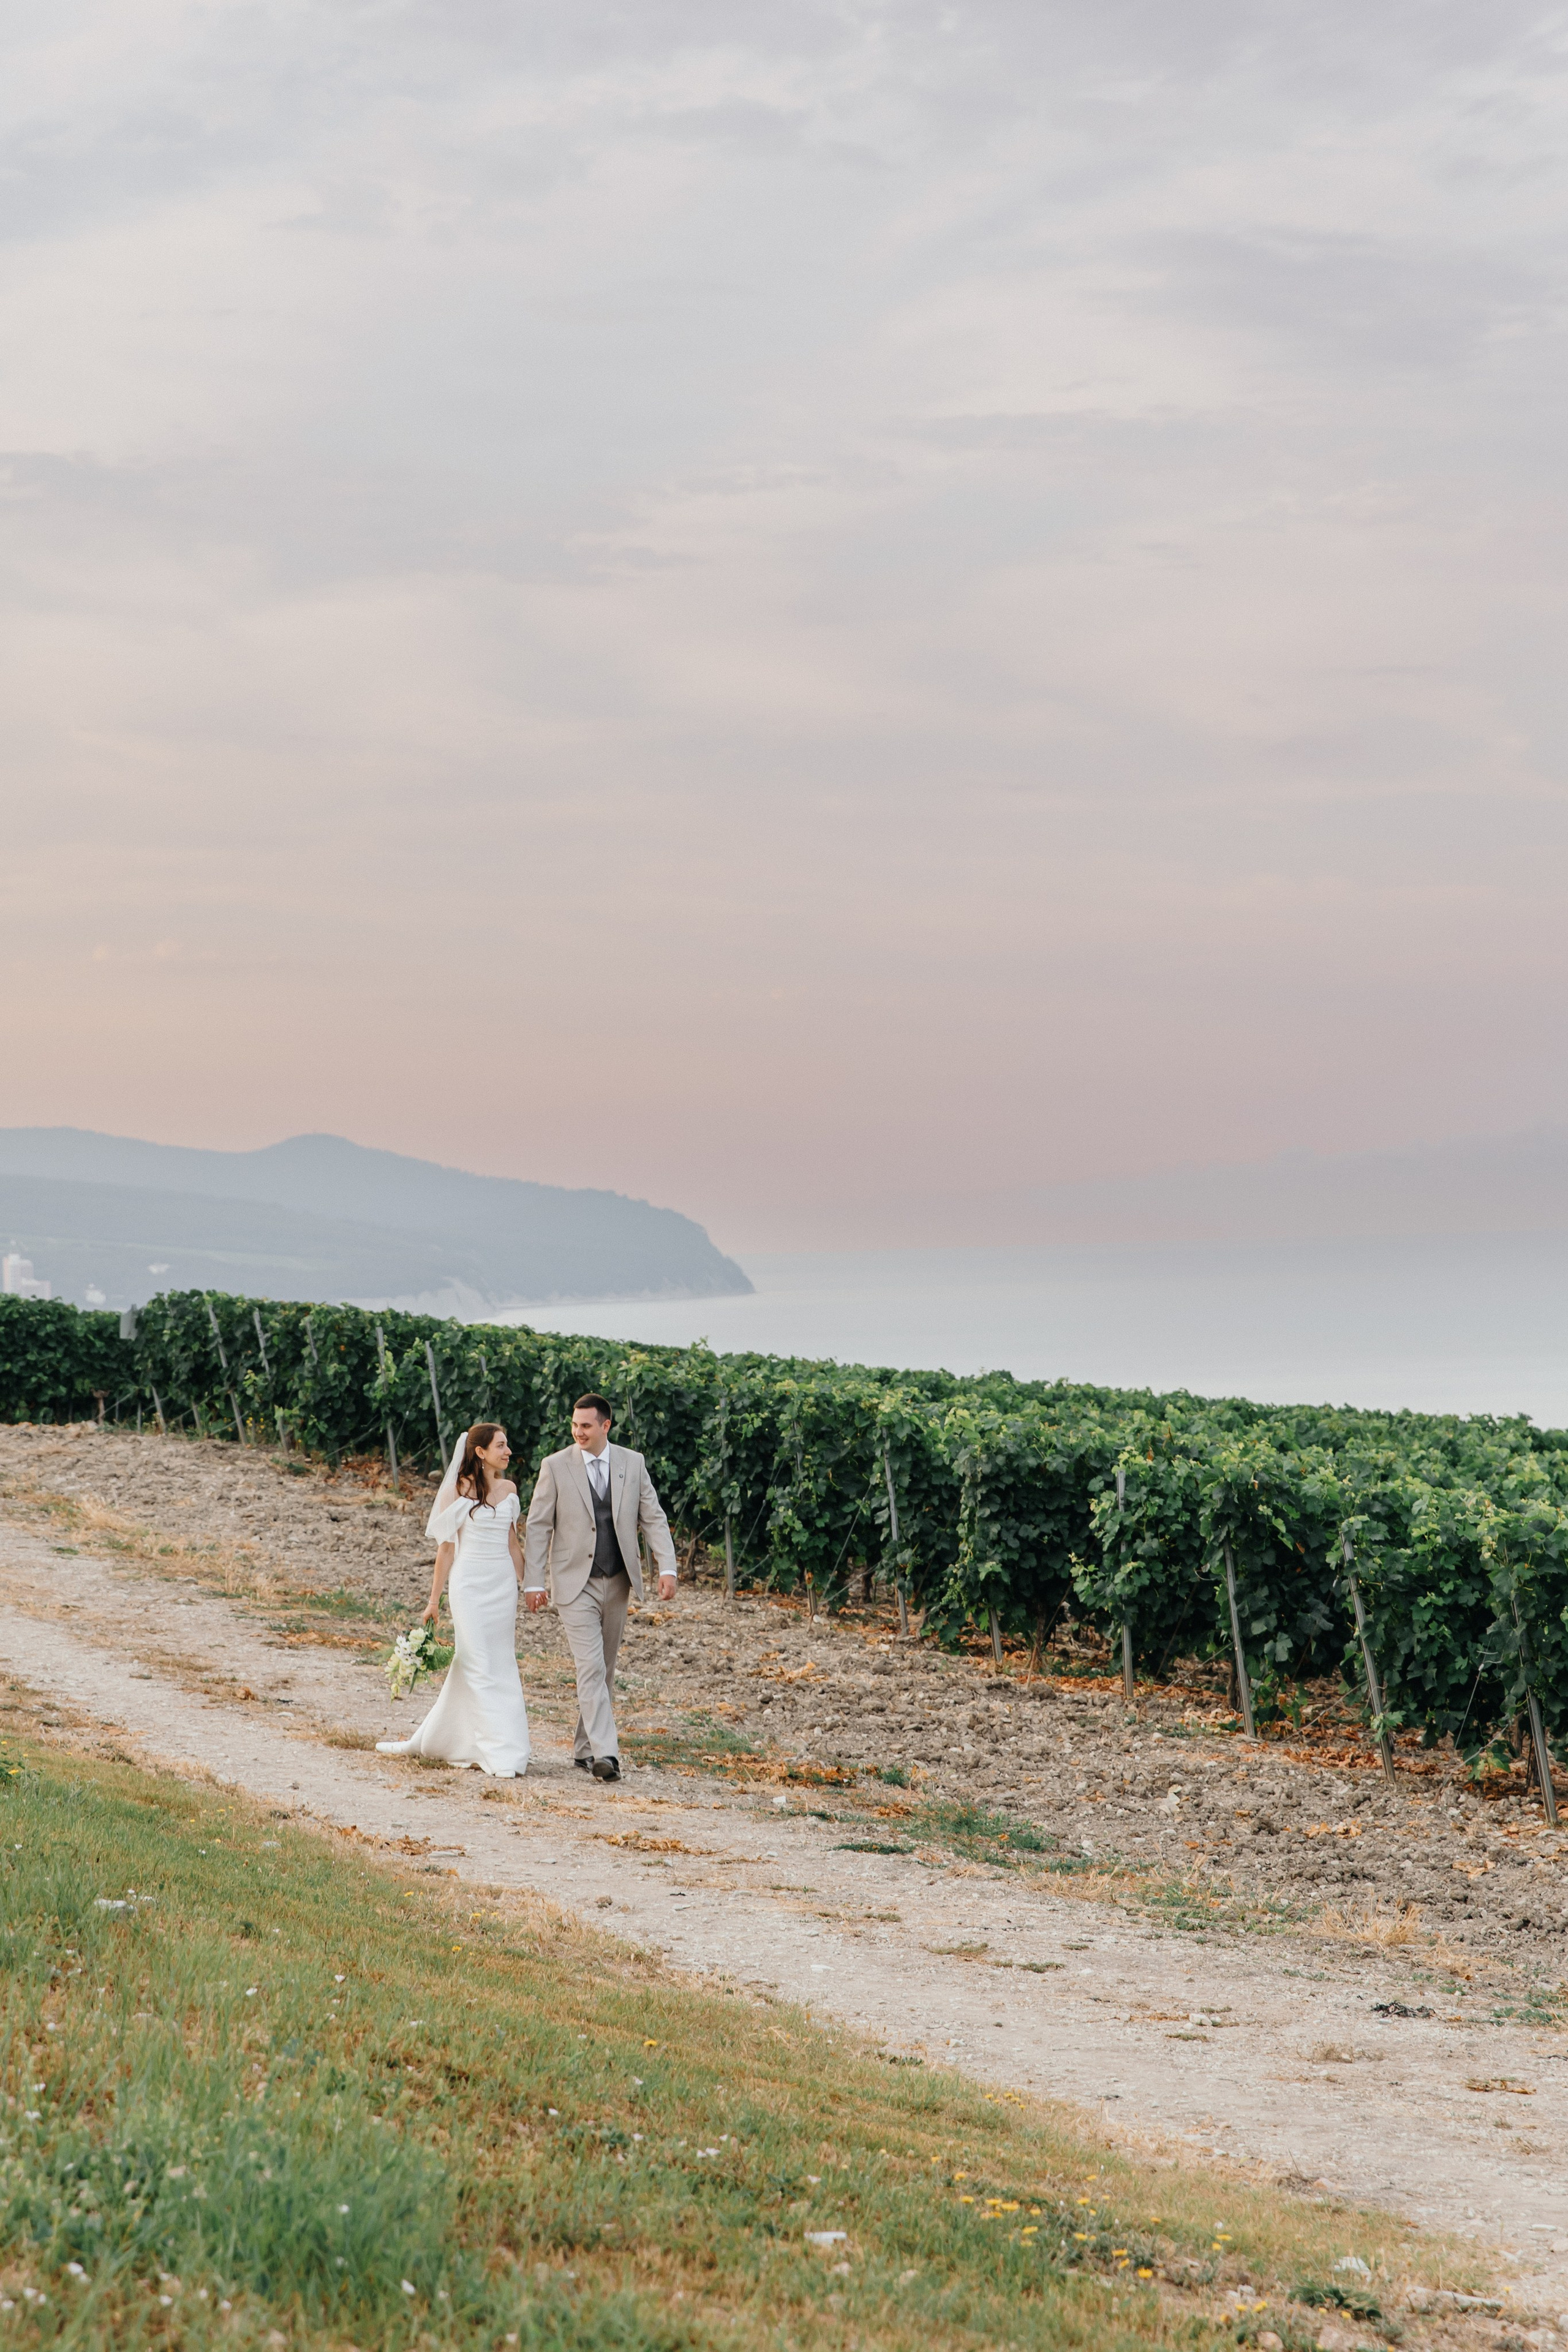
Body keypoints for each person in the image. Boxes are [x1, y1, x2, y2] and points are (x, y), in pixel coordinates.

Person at [523, 1392, 677, 1781]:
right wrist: (533, 1580)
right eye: (574, 1425)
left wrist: (667, 1567)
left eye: (586, 1426)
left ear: (606, 1426)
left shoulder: (633, 1463)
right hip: (574, 1583)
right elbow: (539, 1526)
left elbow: (653, 1518)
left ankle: (584, 1748)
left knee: (604, 1670)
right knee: (590, 1667)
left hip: (619, 1581)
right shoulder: (555, 1466)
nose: (578, 1432)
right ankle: (607, 1756)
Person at [376, 1422, 530, 1776]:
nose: (508, 1452)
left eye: (507, 1446)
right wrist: (434, 1601)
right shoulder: (457, 1491)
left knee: (500, 1662)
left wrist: (531, 1585)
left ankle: (481, 1741)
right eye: (501, 1446)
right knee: (475, 1662)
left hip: (502, 1586)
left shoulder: (509, 1489)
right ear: (480, 1452)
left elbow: (512, 1543)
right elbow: (446, 1551)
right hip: (470, 1586)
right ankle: (497, 1750)